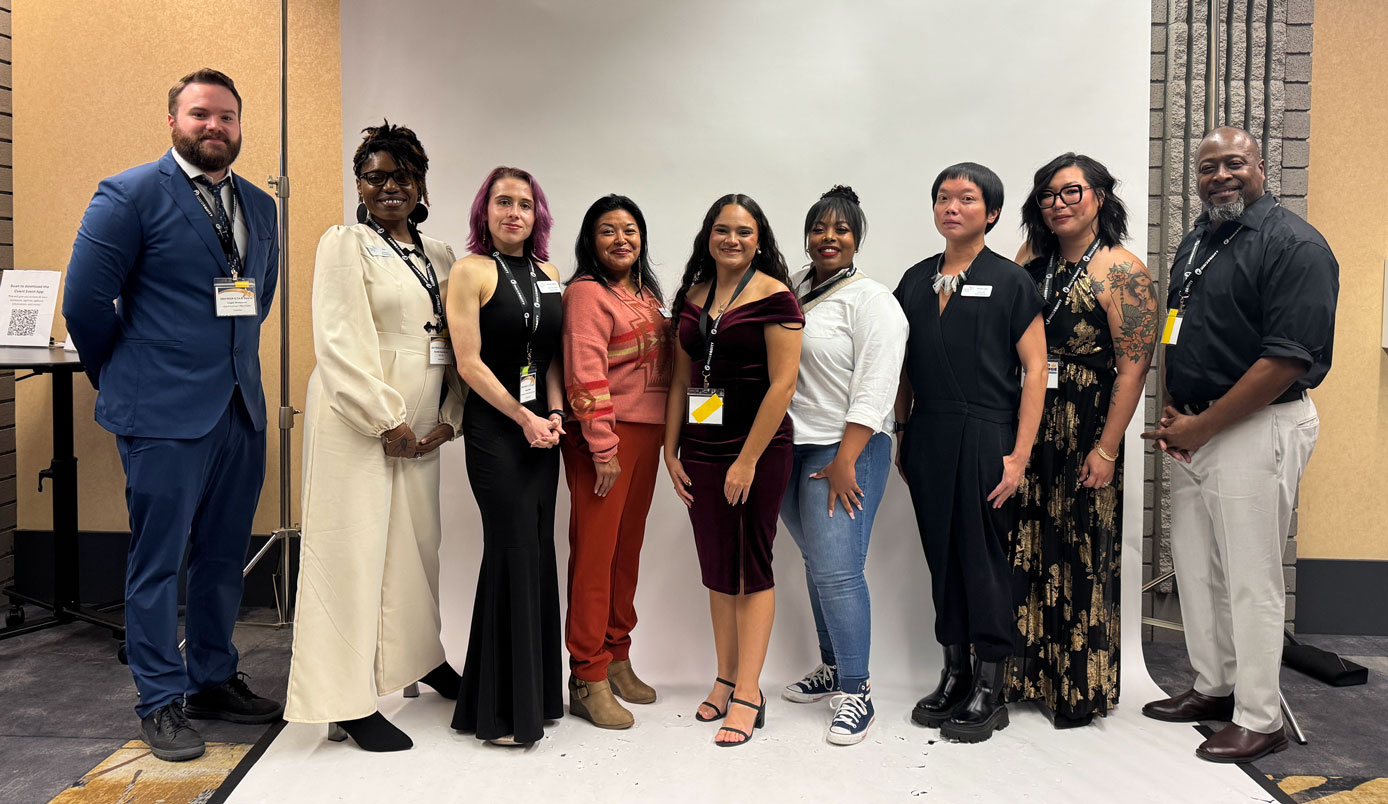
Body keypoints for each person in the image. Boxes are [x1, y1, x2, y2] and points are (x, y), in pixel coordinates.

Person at [62, 69, 282, 762]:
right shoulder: (127, 195)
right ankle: (159, 698)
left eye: (226, 116)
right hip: (159, 412)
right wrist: (124, 378)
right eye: (199, 114)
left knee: (222, 557)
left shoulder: (259, 204)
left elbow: (258, 296)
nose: (213, 126)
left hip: (239, 408)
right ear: (173, 122)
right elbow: (86, 307)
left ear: (240, 126)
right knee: (158, 563)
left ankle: (211, 678)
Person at [1141, 127, 1337, 764]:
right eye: (1207, 167)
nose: (1219, 176)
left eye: (1233, 164)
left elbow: (1286, 360)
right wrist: (1176, 409)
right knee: (1198, 568)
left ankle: (1259, 715)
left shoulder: (1294, 245)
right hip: (1195, 428)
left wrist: (1204, 425)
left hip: (1258, 427)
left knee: (1251, 578)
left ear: (1261, 166)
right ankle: (1215, 686)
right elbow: (1177, 327)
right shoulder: (1200, 241)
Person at [284, 122, 464, 751]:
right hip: (359, 422)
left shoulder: (441, 256)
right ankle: (344, 702)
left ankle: (420, 658)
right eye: (375, 176)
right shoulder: (345, 245)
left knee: (417, 548)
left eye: (402, 176)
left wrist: (450, 417)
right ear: (359, 185)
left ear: (421, 184)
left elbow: (456, 344)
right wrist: (383, 419)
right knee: (350, 553)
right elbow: (338, 339)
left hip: (423, 428)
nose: (390, 187)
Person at [895, 163, 1047, 744]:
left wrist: (1019, 456)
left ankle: (991, 683)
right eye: (942, 197)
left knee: (983, 558)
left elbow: (1036, 370)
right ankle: (954, 671)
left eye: (966, 198)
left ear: (992, 213)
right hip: (929, 433)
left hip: (988, 433)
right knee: (942, 557)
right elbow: (903, 366)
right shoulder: (913, 280)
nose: (951, 207)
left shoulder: (1010, 281)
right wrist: (904, 430)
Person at [1006, 154, 1157, 728]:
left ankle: (1076, 688)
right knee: (1025, 542)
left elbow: (1134, 366)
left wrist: (1108, 447)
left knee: (1081, 549)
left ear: (1099, 196)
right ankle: (1021, 677)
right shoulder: (1030, 260)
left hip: (1086, 425)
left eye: (1072, 192)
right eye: (1047, 195)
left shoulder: (1121, 269)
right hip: (1028, 418)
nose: (1059, 203)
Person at [664, 194, 803, 747]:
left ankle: (749, 691)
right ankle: (724, 676)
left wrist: (746, 459)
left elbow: (783, 385)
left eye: (744, 232)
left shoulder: (776, 298)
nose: (732, 240)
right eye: (722, 230)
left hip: (757, 451)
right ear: (708, 236)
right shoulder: (693, 297)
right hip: (700, 449)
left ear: (760, 239)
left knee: (751, 565)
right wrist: (669, 450)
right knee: (718, 567)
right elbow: (681, 380)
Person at [779, 186, 907, 745]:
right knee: (815, 561)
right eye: (819, 229)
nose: (829, 238)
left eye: (842, 230)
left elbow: (877, 385)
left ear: (857, 239)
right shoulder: (794, 290)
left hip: (845, 447)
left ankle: (857, 691)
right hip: (789, 446)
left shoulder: (872, 299)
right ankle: (832, 666)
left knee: (837, 568)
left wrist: (847, 458)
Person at [447, 167, 565, 746]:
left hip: (546, 432)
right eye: (502, 202)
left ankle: (536, 698)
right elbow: (468, 363)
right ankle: (496, 710)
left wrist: (557, 416)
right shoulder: (469, 271)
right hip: (497, 432)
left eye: (524, 203)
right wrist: (524, 418)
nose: (513, 212)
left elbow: (551, 360)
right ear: (484, 211)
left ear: (537, 213)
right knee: (512, 548)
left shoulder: (550, 273)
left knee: (538, 551)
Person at [560, 195, 672, 730]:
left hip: (647, 436)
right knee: (595, 556)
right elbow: (585, 371)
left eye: (630, 229)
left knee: (626, 553)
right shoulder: (586, 293)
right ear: (591, 240)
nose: (621, 239)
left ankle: (617, 653)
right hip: (605, 440)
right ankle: (586, 672)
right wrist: (602, 446)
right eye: (608, 231)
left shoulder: (647, 293)